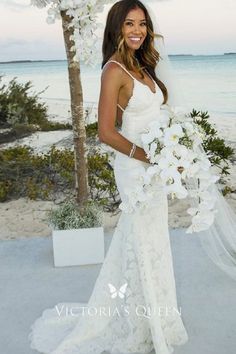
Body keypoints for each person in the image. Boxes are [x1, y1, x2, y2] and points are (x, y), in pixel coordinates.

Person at [29, 0, 236, 352]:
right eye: (129, 24)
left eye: (142, 23)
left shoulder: (143, 66)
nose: (138, 30)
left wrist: (174, 154)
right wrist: (151, 157)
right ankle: (142, 323)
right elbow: (106, 132)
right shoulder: (114, 71)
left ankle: (151, 319)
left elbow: (158, 121)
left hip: (152, 167)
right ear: (117, 28)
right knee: (141, 240)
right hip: (133, 168)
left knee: (151, 242)